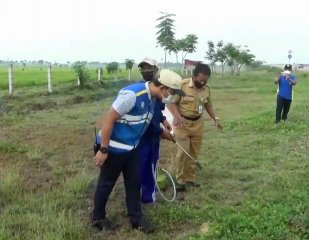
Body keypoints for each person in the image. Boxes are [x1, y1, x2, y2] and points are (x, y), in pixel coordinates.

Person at [91, 69, 185, 233]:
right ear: (163, 88)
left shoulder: (154, 99)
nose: (173, 96)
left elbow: (146, 123)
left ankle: (136, 218)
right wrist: (103, 149)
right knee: (107, 183)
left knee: (134, 183)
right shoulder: (133, 95)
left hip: (133, 148)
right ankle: (97, 218)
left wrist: (164, 134)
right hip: (114, 148)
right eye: (173, 92)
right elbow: (109, 120)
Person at [168, 63, 223, 192]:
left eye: (206, 80)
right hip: (182, 124)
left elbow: (208, 105)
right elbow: (172, 103)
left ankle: (190, 178)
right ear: (194, 76)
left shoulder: (206, 89)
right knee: (183, 153)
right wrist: (177, 117)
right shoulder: (182, 85)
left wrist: (215, 119)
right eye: (201, 80)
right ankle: (181, 181)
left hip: (198, 124)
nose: (203, 82)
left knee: (194, 153)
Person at [137, 58, 175, 204]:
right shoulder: (140, 89)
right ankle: (139, 194)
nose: (146, 70)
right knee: (141, 164)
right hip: (142, 136)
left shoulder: (158, 88)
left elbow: (158, 109)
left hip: (154, 136)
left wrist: (164, 120)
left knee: (153, 163)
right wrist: (161, 132)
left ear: (156, 70)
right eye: (143, 68)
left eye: (149, 68)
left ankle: (149, 194)